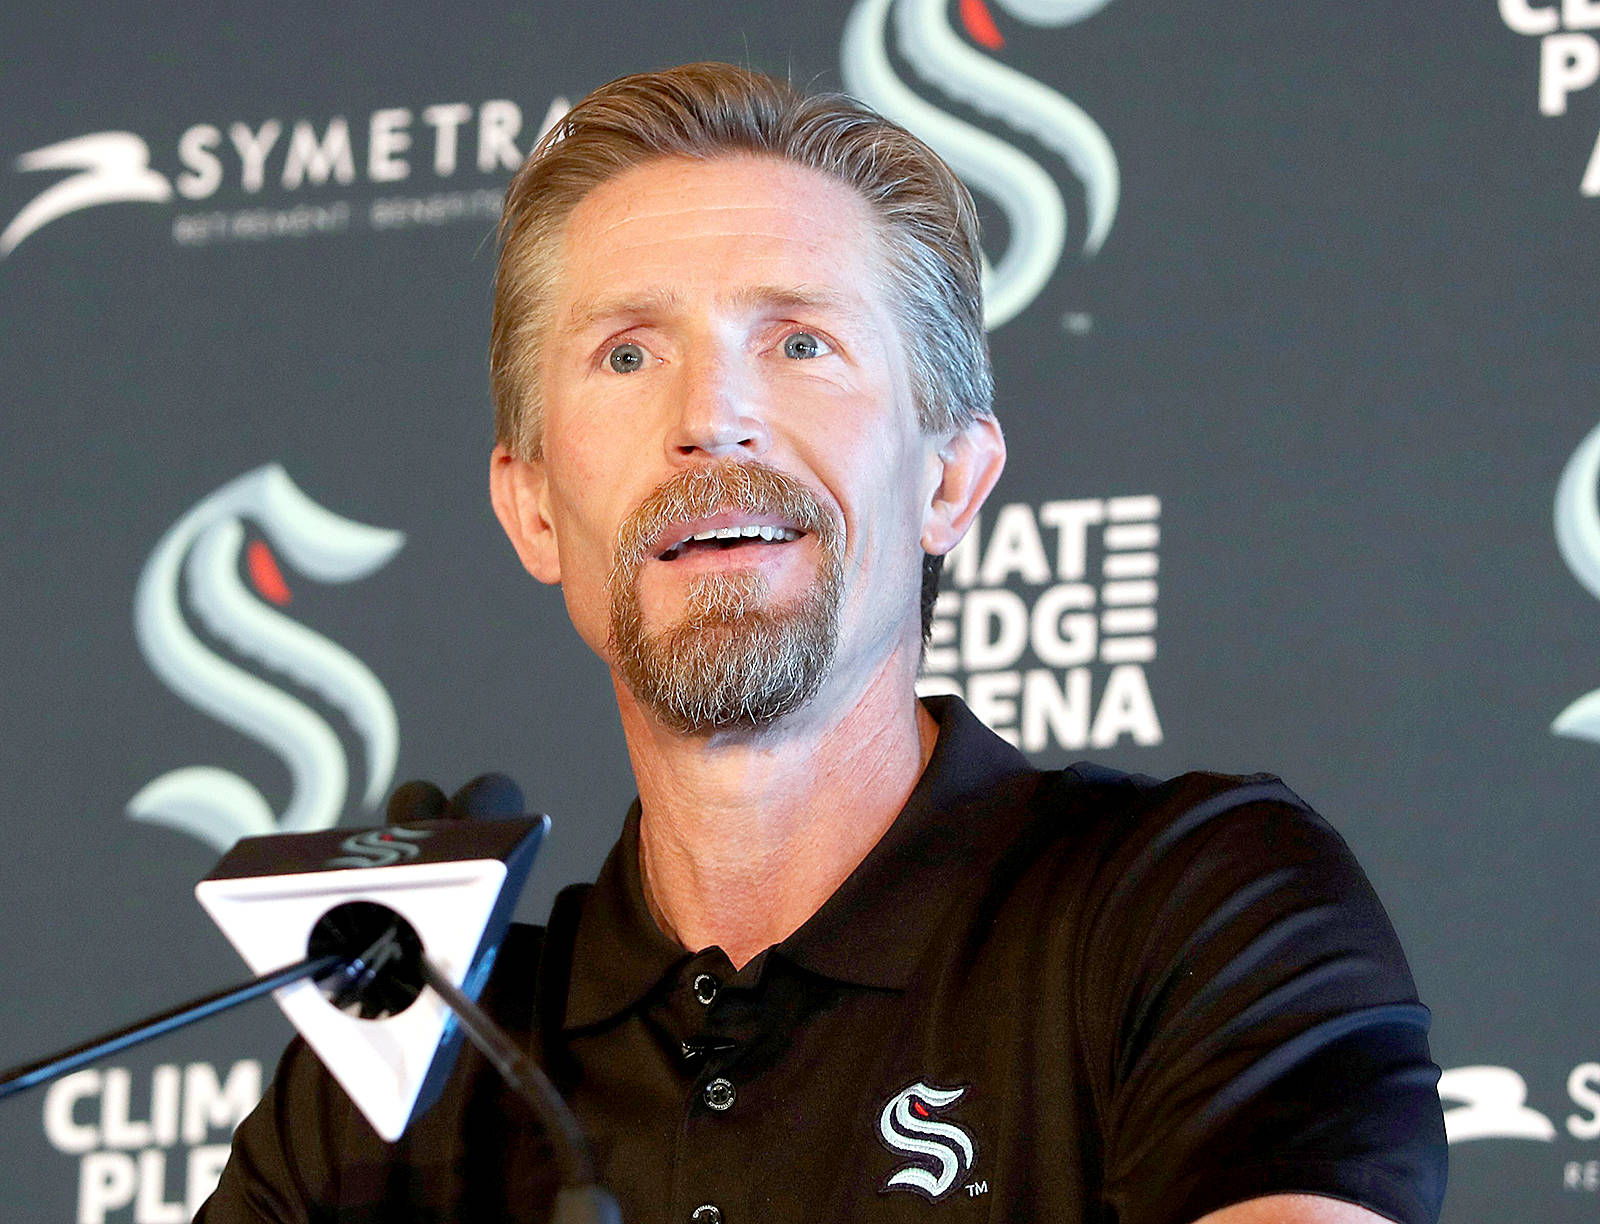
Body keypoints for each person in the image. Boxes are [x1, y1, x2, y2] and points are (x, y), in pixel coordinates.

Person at [198, 62, 1447, 1224]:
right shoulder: (417, 1052)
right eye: (628, 353)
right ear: (532, 508)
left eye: (800, 343)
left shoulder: (1193, 906)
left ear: (949, 480)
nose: (713, 419)